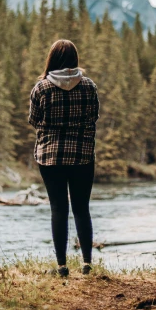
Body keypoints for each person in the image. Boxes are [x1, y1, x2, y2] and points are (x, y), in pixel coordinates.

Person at [28, 39, 100, 277]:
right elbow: (94, 117)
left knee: (58, 209)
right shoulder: (89, 86)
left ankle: (61, 266)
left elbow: (33, 120)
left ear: (52, 60)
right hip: (82, 156)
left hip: (50, 157)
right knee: (82, 209)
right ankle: (87, 264)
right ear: (74, 59)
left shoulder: (41, 88)